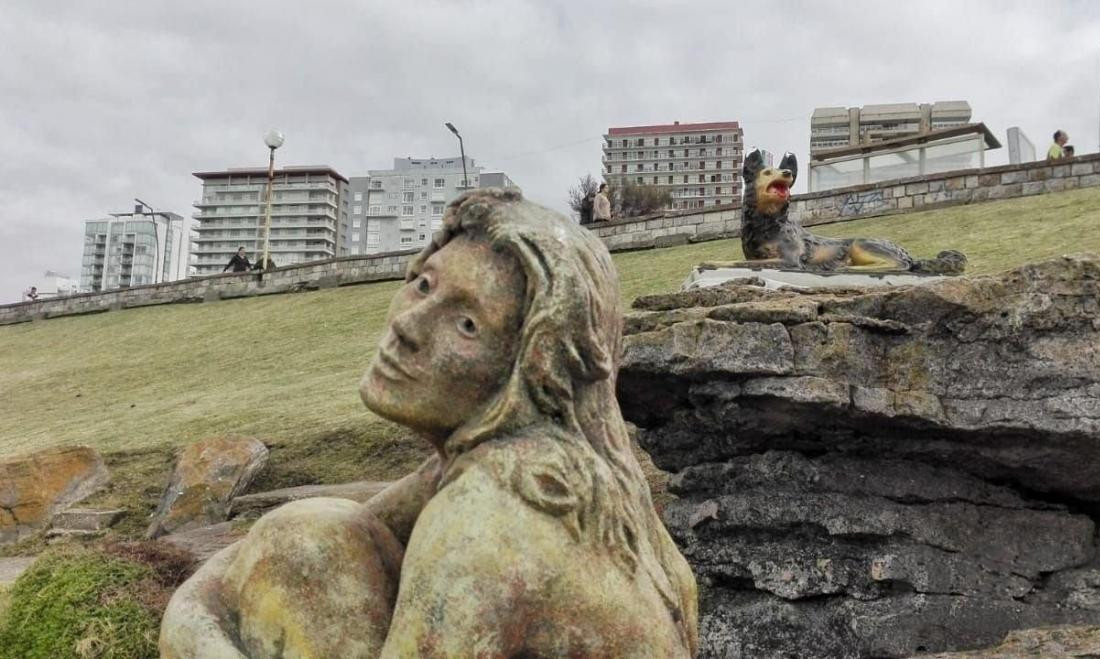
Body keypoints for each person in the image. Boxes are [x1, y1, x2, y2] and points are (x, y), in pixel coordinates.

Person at [159, 189, 699, 658]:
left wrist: (196, 639)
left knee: (307, 546)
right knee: (309, 533)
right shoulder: (554, 472)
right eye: (422, 284)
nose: (407, 326)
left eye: (466, 324)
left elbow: (245, 576)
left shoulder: (487, 518)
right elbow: (244, 561)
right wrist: (192, 621)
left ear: (530, 370)